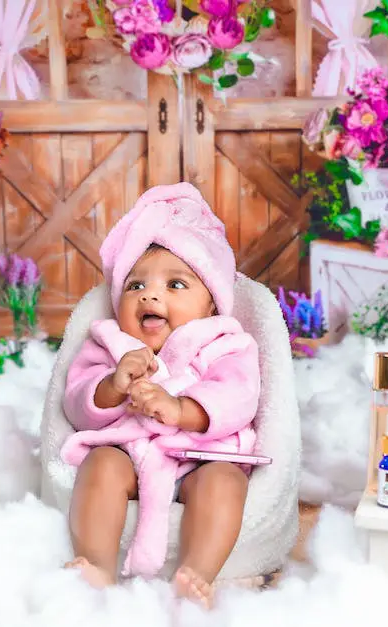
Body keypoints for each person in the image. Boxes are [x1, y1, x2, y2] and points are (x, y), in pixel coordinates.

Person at [60, 182, 261, 608]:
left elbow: (238, 395)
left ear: (211, 305)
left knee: (225, 483)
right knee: (100, 465)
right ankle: (96, 564)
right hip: (129, 453)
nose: (150, 294)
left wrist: (181, 410)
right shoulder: (108, 343)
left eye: (175, 285)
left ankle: (197, 576)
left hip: (201, 456)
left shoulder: (224, 341)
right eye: (135, 286)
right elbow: (76, 400)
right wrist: (112, 385)